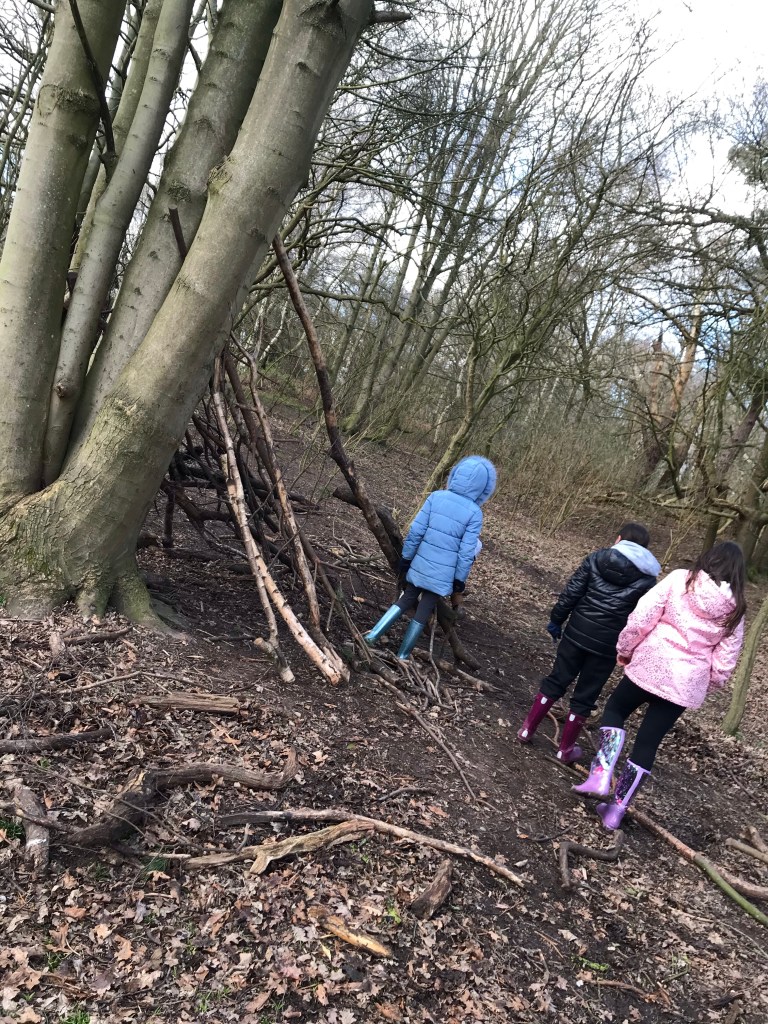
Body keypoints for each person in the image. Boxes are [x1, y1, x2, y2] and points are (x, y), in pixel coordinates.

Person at [573, 541, 746, 829]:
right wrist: (703, 684)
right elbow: (725, 663)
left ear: (709, 559)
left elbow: (642, 616)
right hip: (685, 683)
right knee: (648, 742)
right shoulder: (735, 610)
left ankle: (601, 772)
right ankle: (616, 811)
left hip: (652, 662)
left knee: (616, 708)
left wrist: (625, 648)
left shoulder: (681, 579)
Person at [517, 523, 660, 762]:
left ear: (619, 539)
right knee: (586, 695)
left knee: (556, 679)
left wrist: (556, 619)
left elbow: (572, 592)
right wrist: (631, 648)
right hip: (608, 645)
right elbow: (642, 619)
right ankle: (565, 750)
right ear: (644, 549)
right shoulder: (648, 580)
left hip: (577, 632)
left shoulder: (597, 558)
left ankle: (526, 730)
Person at [364, 456, 497, 660]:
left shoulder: (436, 497)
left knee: (406, 598)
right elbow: (466, 552)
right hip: (443, 574)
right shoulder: (474, 513)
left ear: (455, 475)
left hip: (420, 563)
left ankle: (372, 636)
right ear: (483, 488)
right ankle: (403, 655)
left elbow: (416, 531)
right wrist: (459, 581)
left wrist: (406, 558)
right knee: (424, 609)